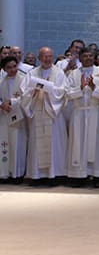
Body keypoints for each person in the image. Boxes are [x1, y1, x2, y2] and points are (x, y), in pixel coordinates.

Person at [21, 47, 68, 185]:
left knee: (54, 144)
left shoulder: (59, 73)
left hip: (53, 114)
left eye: (50, 56)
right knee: (36, 144)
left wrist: (49, 89)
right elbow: (25, 92)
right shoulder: (32, 73)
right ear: (39, 58)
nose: (48, 59)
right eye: (45, 56)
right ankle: (36, 175)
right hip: (37, 111)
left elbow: (62, 91)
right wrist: (33, 93)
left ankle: (54, 175)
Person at [64, 48, 99, 187]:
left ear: (94, 58)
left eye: (90, 56)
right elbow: (67, 94)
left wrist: (94, 87)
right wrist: (81, 88)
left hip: (95, 111)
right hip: (79, 113)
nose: (88, 58)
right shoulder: (73, 74)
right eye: (85, 56)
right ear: (80, 58)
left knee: (97, 144)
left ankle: (98, 176)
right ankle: (78, 176)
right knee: (78, 143)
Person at [0, 56, 28, 183]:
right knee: (5, 144)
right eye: (9, 67)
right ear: (4, 69)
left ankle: (17, 174)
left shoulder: (23, 79)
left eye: (14, 66)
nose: (12, 69)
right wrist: (2, 104)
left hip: (19, 118)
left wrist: (12, 101)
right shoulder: (2, 82)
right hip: (5, 117)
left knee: (18, 145)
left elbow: (27, 97)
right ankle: (5, 173)